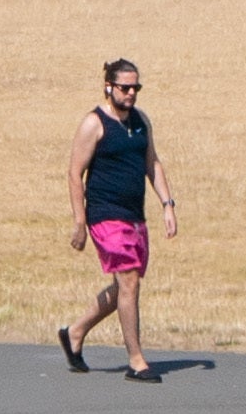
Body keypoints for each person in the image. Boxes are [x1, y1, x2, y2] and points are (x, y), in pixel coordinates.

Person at [57, 56, 175, 380]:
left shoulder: (141, 122)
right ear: (109, 86)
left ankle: (75, 332)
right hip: (104, 214)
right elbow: (73, 174)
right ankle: (136, 361)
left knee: (126, 284)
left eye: (135, 87)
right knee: (129, 281)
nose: (131, 93)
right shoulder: (93, 124)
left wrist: (167, 204)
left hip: (134, 215)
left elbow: (153, 164)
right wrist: (80, 222)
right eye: (125, 87)